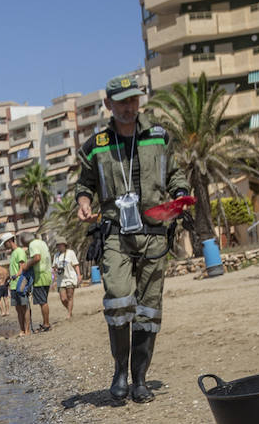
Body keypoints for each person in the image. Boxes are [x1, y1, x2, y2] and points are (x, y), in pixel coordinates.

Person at [74, 74, 189, 404]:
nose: (129, 106)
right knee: (119, 299)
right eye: (122, 101)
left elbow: (176, 173)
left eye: (133, 100)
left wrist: (180, 193)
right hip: (115, 234)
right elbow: (84, 184)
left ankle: (140, 379)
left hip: (154, 233)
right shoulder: (96, 146)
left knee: (148, 309)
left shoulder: (159, 136)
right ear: (108, 105)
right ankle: (119, 372)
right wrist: (84, 202)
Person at [2, 234, 31, 336]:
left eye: (5, 243)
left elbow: (22, 267)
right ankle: (22, 330)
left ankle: (27, 330)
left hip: (21, 283)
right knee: (18, 309)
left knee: (24, 307)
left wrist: (15, 276)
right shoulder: (13, 253)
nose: (4, 246)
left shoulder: (19, 251)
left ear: (9, 241)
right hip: (13, 285)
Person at [25, 230, 52, 331]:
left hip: (40, 276)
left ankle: (46, 324)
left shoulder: (32, 244)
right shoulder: (42, 242)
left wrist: (27, 265)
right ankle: (46, 323)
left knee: (42, 302)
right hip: (47, 274)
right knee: (44, 300)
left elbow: (37, 258)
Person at [53, 238, 81, 320]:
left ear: (65, 245)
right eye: (58, 245)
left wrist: (79, 275)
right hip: (60, 279)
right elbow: (54, 267)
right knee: (63, 298)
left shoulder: (70, 253)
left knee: (70, 296)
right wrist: (56, 271)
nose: (59, 246)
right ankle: (70, 310)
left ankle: (69, 314)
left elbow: (76, 265)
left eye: (61, 244)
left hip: (70, 277)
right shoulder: (56, 255)